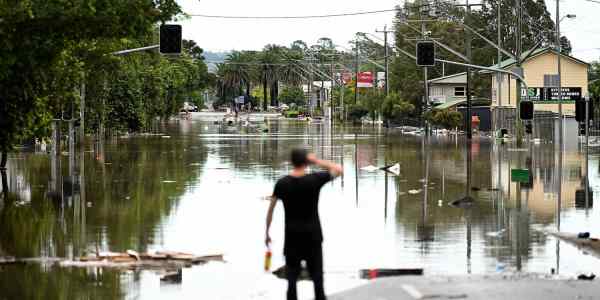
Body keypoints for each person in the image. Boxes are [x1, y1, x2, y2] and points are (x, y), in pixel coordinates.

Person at [265, 149, 343, 300]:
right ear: (306, 162)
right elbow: (338, 169)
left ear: (292, 162)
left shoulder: (282, 183)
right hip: (313, 237)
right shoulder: (315, 180)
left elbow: (270, 211)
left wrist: (267, 234)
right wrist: (316, 161)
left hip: (292, 238)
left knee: (292, 282)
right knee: (317, 280)